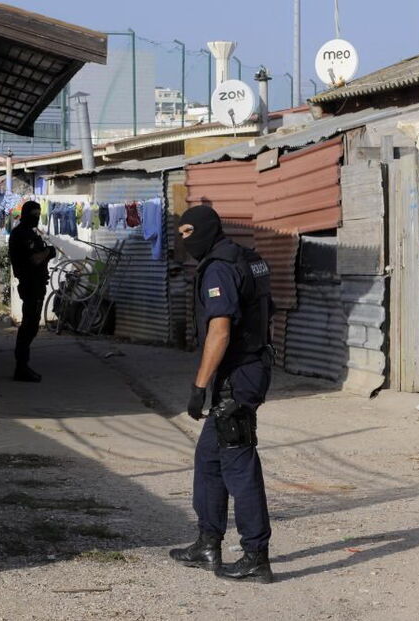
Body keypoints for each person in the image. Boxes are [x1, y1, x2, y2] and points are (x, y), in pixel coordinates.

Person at [169, 204, 276, 584]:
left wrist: (200, 386)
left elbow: (220, 331)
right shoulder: (247, 258)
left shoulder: (218, 267)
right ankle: (208, 542)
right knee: (210, 457)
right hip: (250, 366)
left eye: (186, 233)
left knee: (238, 462)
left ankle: (255, 556)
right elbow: (267, 313)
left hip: (239, 374)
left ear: (203, 230)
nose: (182, 240)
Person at [8, 201, 56, 382]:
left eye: (38, 214)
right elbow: (35, 259)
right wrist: (48, 252)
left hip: (35, 284)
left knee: (31, 325)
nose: (36, 218)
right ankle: (21, 366)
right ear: (26, 214)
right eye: (34, 214)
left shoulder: (29, 233)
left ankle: (22, 365)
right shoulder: (22, 234)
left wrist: (46, 252)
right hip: (30, 284)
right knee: (29, 326)